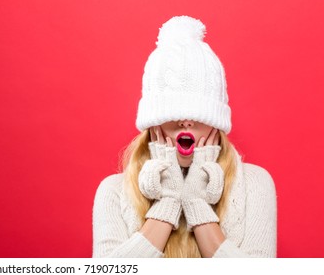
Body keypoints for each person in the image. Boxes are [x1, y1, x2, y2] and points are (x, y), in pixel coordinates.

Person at [92, 16, 277, 258]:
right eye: (173, 110)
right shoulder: (114, 191)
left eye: (198, 111)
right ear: (153, 121)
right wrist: (169, 201)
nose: (186, 121)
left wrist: (196, 204)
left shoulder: (254, 184)